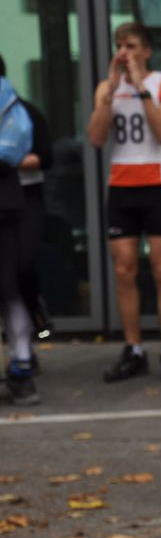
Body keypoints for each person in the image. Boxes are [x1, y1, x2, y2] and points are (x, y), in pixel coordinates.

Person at [86, 22, 161, 383]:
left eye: (130, 46)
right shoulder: (107, 87)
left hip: (157, 184)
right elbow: (96, 137)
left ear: (145, 51)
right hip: (122, 186)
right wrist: (112, 93)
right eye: (119, 46)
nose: (123, 53)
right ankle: (134, 348)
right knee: (124, 270)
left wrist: (141, 87)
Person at [2, 54, 55, 352]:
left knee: (22, 264)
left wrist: (7, 160)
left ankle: (34, 315)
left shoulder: (24, 113)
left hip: (25, 197)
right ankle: (20, 350)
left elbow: (45, 157)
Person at [0, 63, 38, 406]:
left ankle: (22, 370)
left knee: (8, 287)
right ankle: (22, 369)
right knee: (8, 287)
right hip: (7, 198)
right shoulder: (10, 97)